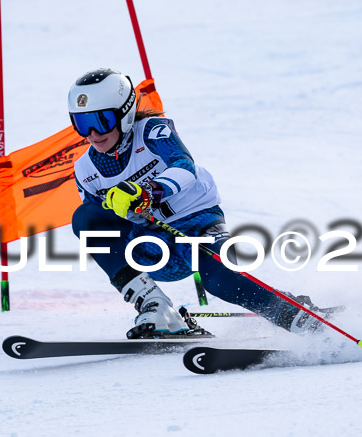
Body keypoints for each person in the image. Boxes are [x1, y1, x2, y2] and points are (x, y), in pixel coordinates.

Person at [69, 68, 322, 338]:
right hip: (151, 245)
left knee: (221, 282)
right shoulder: (85, 169)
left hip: (196, 225)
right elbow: (102, 225)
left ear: (126, 113)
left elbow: (183, 165)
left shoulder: (154, 132)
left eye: (102, 121)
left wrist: (148, 192)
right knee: (85, 217)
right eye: (82, 124)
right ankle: (155, 306)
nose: (93, 133)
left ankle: (296, 316)